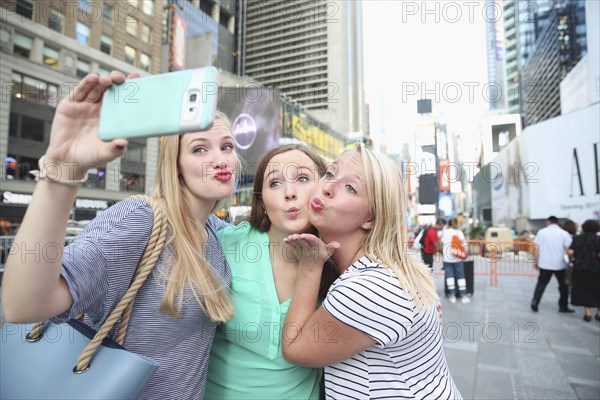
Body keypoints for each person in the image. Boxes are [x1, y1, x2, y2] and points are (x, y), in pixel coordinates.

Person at [1, 72, 239, 400]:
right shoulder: (140, 219)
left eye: (227, 146)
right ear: (176, 164)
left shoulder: (218, 234)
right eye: (200, 149)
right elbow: (24, 304)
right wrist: (62, 169)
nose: (220, 159)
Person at [281, 144, 462, 399]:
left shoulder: (367, 288)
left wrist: (311, 267)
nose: (327, 187)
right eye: (330, 174)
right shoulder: (388, 269)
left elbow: (294, 348)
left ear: (371, 219)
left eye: (350, 188)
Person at [205, 144, 330, 399]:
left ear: (324, 190)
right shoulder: (227, 244)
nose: (289, 193)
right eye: (275, 183)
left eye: (303, 179)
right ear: (261, 200)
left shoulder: (337, 257)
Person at [530, 216, 574, 313]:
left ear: (548, 221)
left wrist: (535, 261)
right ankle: (563, 306)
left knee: (541, 284)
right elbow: (569, 249)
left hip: (545, 263)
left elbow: (536, 248)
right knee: (563, 286)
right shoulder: (564, 233)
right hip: (560, 264)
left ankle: (535, 302)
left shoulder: (541, 232)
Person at [568, 220, 600, 322]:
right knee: (597, 289)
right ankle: (599, 313)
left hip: (580, 268)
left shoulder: (577, 239)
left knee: (584, 290)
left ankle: (587, 313)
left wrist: (573, 259)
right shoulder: (598, 239)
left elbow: (570, 251)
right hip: (596, 268)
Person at [440, 218, 470, 304]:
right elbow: (464, 244)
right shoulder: (458, 232)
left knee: (449, 276)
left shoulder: (445, 232)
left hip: (447, 258)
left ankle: (452, 295)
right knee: (460, 276)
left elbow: (441, 242)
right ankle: (463, 295)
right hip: (457, 257)